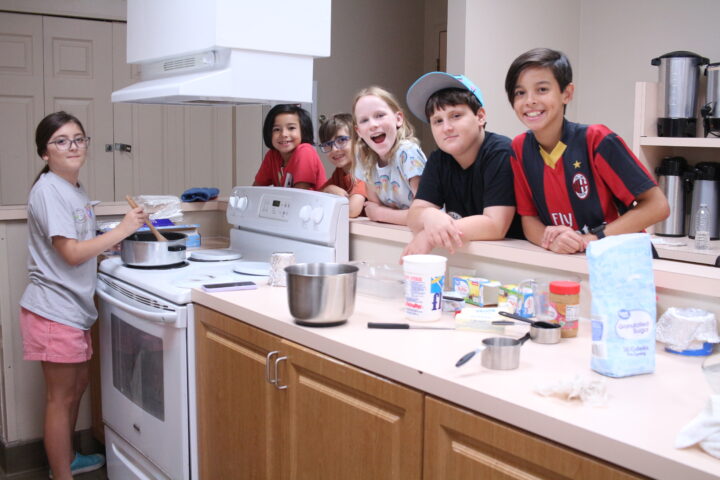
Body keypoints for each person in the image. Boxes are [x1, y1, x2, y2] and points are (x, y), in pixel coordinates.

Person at [20, 112, 148, 480]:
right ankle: (61, 474)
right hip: (53, 311)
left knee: (75, 390)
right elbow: (71, 253)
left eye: (79, 138)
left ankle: (69, 459)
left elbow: (80, 245)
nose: (73, 146)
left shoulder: (72, 188)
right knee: (60, 399)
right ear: (45, 152)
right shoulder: (48, 190)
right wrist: (123, 230)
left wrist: (108, 248)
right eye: (61, 141)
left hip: (71, 309)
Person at [504, 48, 669, 254]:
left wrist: (592, 239)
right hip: (572, 261)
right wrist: (551, 242)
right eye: (520, 92)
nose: (529, 101)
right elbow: (529, 220)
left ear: (567, 93)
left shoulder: (596, 140)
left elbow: (657, 205)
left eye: (542, 89)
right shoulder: (519, 148)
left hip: (623, 260)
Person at [402, 72, 523, 256]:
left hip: (514, 259)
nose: (447, 127)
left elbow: (495, 225)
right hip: (468, 257)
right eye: (437, 121)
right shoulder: (439, 159)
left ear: (480, 116)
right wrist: (428, 215)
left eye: (456, 116)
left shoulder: (502, 152)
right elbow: (414, 215)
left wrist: (429, 235)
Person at [352, 86, 427, 225]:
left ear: (398, 119)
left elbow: (425, 214)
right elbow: (372, 207)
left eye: (380, 115)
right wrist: (379, 212)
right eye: (364, 120)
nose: (373, 125)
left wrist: (381, 214)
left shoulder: (407, 153)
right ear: (359, 132)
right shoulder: (366, 160)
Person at [253, 104, 326, 190]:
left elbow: (300, 194)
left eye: (291, 128)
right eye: (276, 129)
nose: (284, 134)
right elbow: (255, 189)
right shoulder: (272, 155)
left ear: (303, 130)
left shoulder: (305, 151)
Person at [317, 113, 367, 218]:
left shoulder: (364, 170)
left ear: (358, 139)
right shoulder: (340, 172)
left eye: (341, 140)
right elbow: (314, 198)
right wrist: (328, 189)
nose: (334, 149)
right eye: (327, 145)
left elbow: (352, 211)